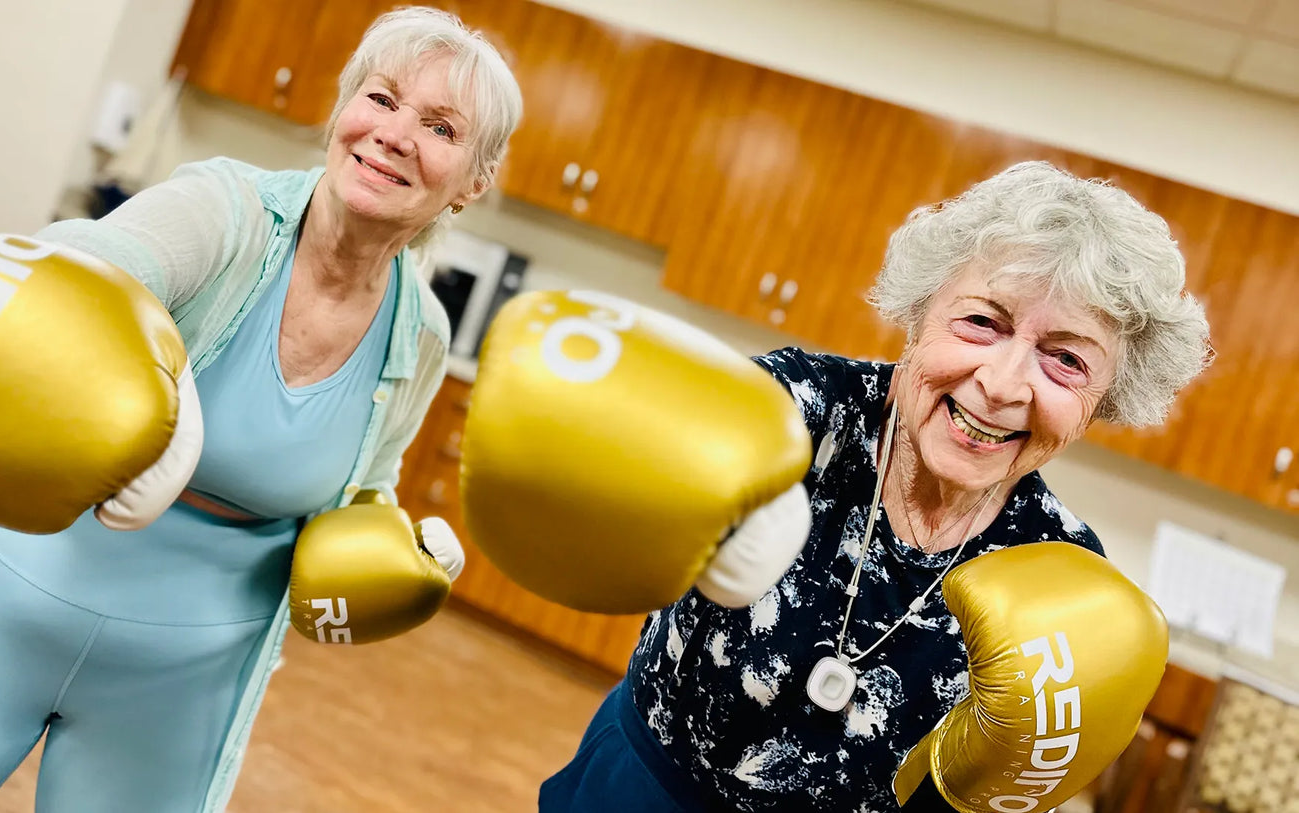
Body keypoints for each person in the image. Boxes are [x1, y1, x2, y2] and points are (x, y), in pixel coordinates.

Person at [0, 7, 521, 812]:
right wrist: (150, 412)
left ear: (473, 180)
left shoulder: (419, 332)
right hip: (2, 600)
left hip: (186, 677)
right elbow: (70, 271)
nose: (394, 134)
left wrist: (393, 547)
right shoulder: (227, 210)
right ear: (343, 111)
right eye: (380, 100)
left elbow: (364, 485)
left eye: (440, 127)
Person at [464, 161, 1210, 811]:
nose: (1002, 382)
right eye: (982, 321)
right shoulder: (794, 411)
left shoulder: (1060, 574)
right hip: (642, 791)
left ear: (1105, 399)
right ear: (917, 317)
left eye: (1065, 360)